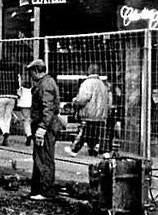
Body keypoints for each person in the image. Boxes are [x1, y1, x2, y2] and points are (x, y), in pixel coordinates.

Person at [28, 58, 62, 200]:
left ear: (36, 71)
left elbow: (47, 109)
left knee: (44, 158)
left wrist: (42, 128)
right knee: (40, 157)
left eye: (31, 72)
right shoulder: (47, 83)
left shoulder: (44, 85)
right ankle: (38, 190)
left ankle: (44, 191)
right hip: (47, 125)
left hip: (45, 127)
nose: (31, 76)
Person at [67, 63, 110, 156]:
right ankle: (96, 150)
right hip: (101, 115)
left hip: (89, 113)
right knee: (96, 134)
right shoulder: (103, 84)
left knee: (84, 133)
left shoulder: (87, 83)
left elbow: (83, 98)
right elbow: (108, 100)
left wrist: (75, 101)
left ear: (89, 71)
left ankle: (74, 150)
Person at [14, 72, 33, 145]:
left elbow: (18, 94)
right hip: (31, 102)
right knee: (31, 119)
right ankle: (31, 133)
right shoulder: (33, 85)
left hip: (23, 103)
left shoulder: (21, 87)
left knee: (26, 120)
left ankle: (28, 134)